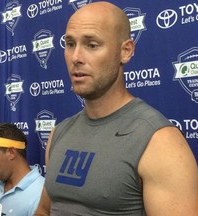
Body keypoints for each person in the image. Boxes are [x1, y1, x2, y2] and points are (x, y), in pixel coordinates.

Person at [35, 2, 198, 216]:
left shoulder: (160, 142)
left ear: (126, 51)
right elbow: (45, 211)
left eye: (92, 45)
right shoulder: (59, 133)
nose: (76, 57)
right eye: (70, 44)